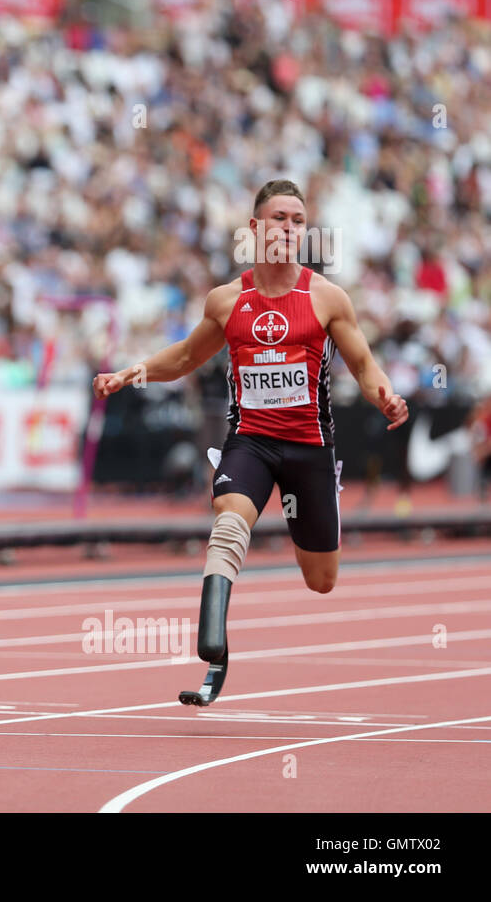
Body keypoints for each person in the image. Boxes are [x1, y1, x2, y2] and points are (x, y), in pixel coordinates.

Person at [94, 180, 408, 705]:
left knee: (322, 580)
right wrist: (133, 373)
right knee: (229, 520)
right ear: (255, 229)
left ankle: (310, 508)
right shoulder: (227, 300)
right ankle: (214, 645)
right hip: (251, 442)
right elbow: (186, 357)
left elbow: (362, 364)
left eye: (297, 221)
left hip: (310, 447)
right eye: (279, 218)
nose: (288, 228)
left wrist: (387, 397)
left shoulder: (326, 298)